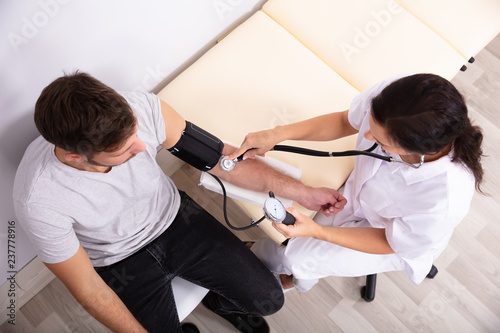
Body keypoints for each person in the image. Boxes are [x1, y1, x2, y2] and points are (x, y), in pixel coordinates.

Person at [12, 72, 347, 333]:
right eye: (123, 151)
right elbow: (87, 288)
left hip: (176, 219)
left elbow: (219, 160)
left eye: (135, 136)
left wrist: (302, 192)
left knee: (269, 300)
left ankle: (219, 299)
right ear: (76, 156)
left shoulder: (142, 108)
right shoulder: (38, 199)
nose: (143, 148)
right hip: (119, 262)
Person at [227, 73, 484, 292]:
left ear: (417, 150)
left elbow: (390, 242)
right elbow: (343, 121)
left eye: (381, 142)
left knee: (296, 257)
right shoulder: (394, 99)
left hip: (391, 237)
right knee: (299, 256)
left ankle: (279, 271)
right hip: (355, 196)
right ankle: (289, 273)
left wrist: (317, 232)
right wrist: (277, 134)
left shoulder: (445, 197)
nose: (368, 135)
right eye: (371, 126)